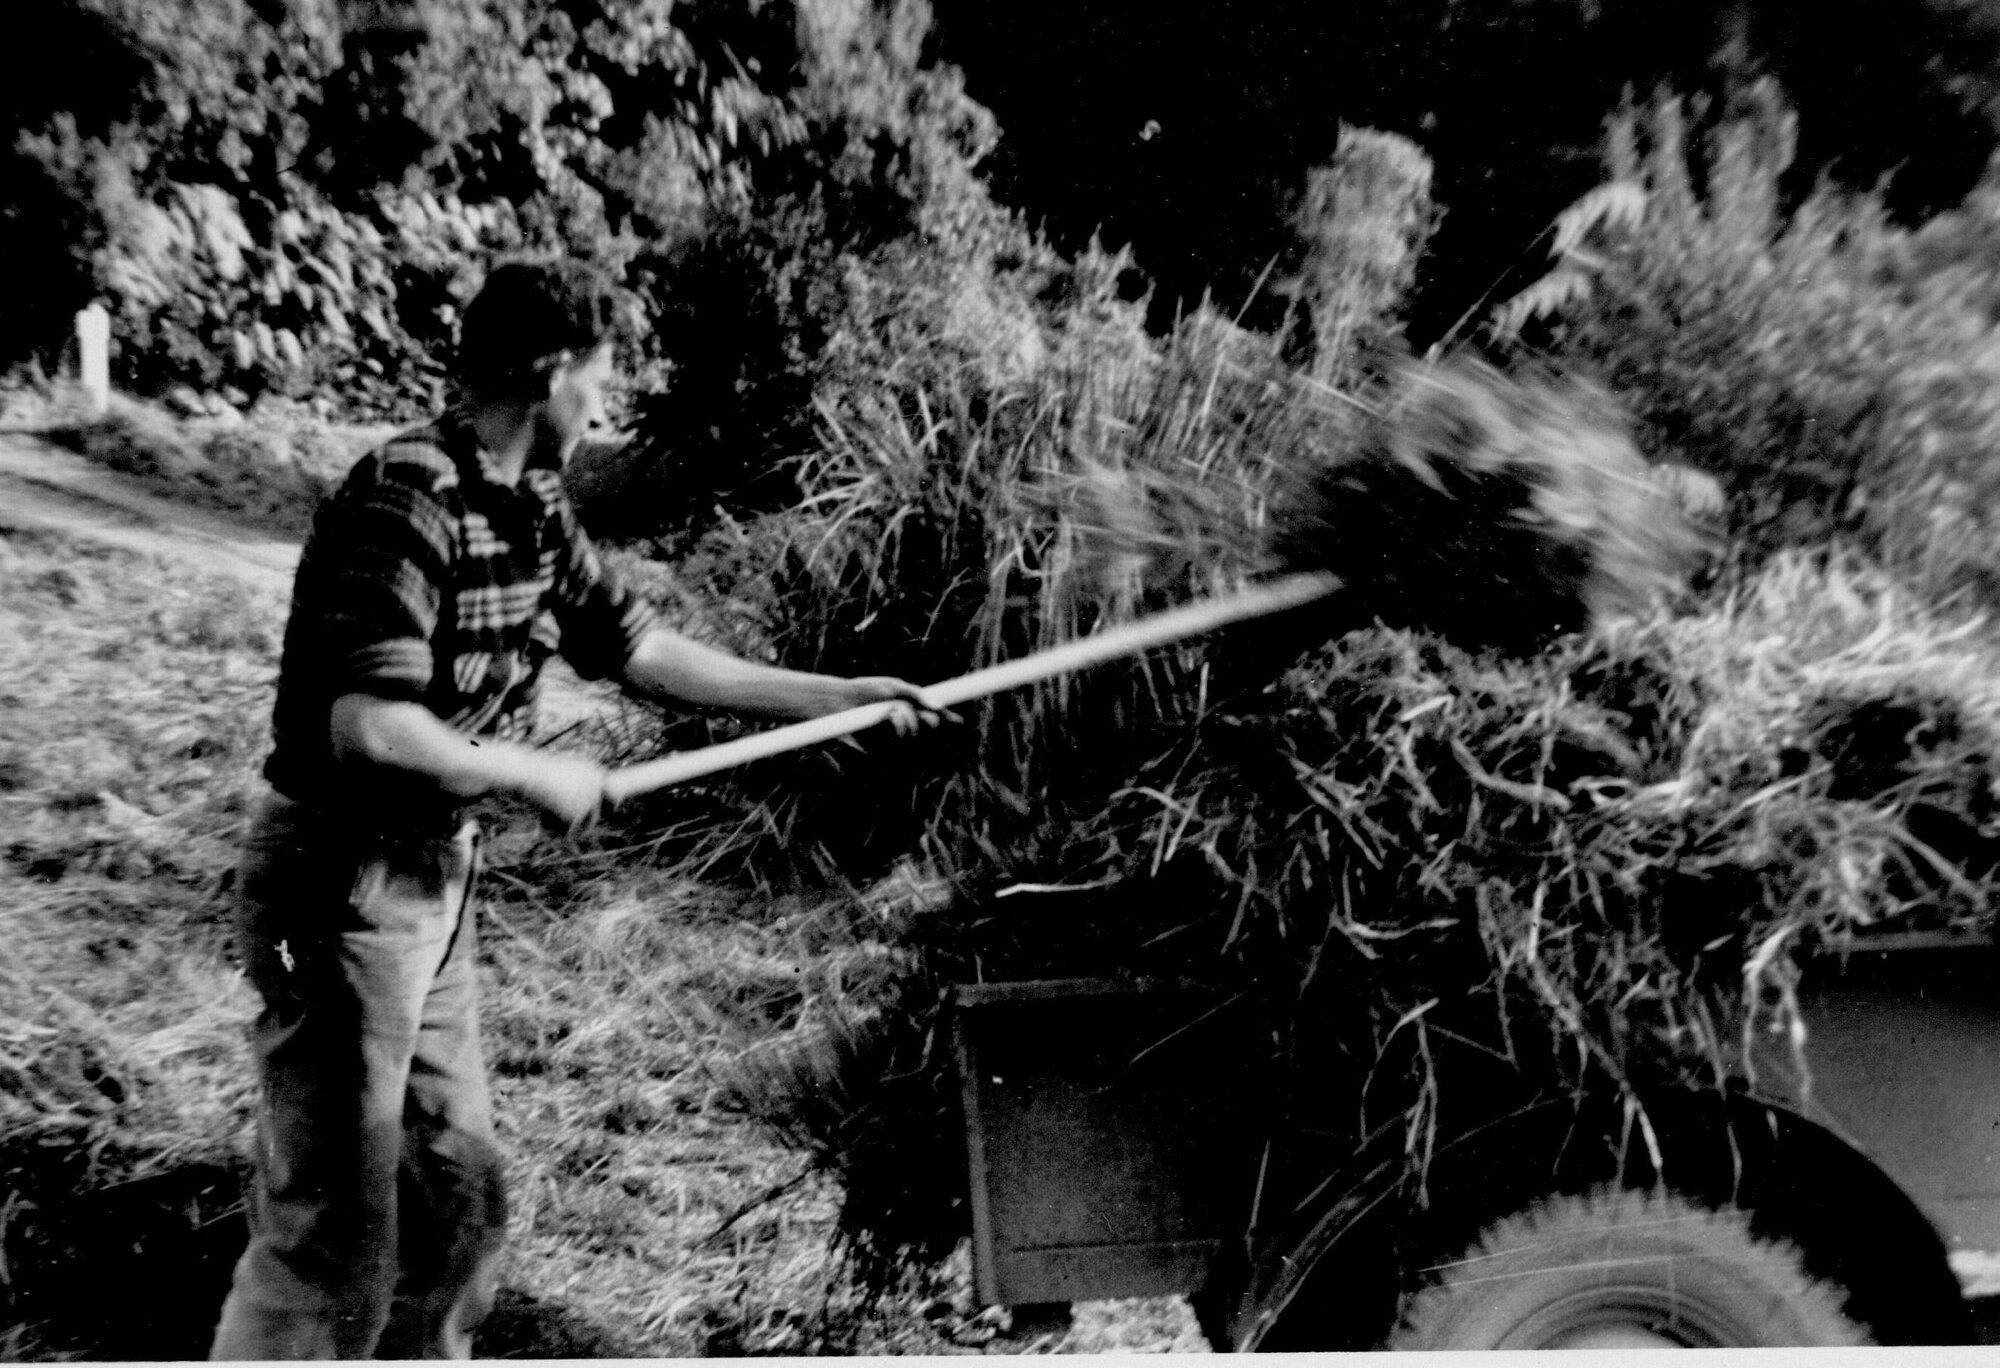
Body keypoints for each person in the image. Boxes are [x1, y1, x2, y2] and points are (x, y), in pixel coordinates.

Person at [208, 261, 937, 1359]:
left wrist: (836, 698)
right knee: (333, 1239)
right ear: (549, 373)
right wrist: (526, 771)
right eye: (599, 378)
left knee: (458, 1209)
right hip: (338, 881)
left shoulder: (532, 505)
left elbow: (641, 650)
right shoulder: (415, 493)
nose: (605, 408)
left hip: (427, 883)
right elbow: (368, 725)